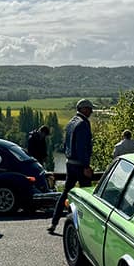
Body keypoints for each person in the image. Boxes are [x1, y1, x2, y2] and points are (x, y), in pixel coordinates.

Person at [49, 99, 94, 234]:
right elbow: (82, 147)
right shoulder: (82, 124)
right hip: (80, 165)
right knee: (87, 195)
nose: (91, 111)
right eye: (89, 109)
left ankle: (54, 222)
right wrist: (86, 166)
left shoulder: (71, 123)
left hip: (70, 163)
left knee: (65, 193)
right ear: (83, 109)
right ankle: (88, 226)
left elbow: (65, 145)